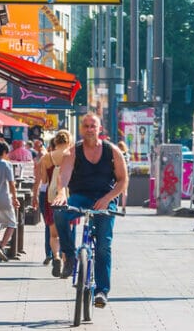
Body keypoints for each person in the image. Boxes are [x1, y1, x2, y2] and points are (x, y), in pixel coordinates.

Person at [53, 114, 129, 308]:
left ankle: (102, 291)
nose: (89, 129)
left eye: (92, 126)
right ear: (81, 129)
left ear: (99, 128)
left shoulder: (112, 151)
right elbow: (64, 176)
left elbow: (122, 180)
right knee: (59, 213)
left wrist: (107, 199)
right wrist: (61, 192)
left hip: (105, 199)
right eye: (86, 126)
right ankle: (69, 255)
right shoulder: (73, 151)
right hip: (81, 197)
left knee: (103, 245)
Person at [34, 130, 72, 275]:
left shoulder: (46, 158)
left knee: (53, 234)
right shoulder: (71, 156)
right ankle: (66, 262)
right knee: (67, 233)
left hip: (51, 197)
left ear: (55, 142)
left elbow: (44, 180)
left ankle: (55, 256)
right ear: (68, 141)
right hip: (67, 196)